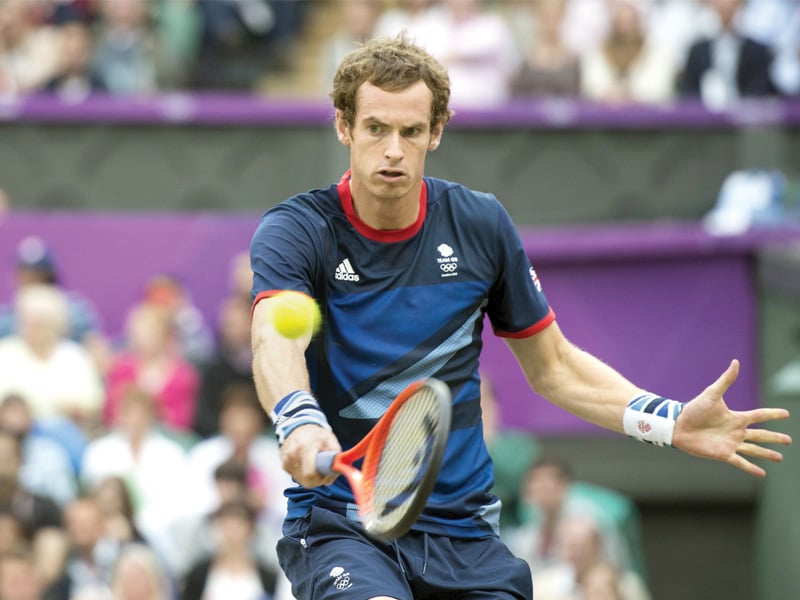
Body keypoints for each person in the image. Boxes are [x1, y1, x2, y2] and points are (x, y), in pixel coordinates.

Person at [248, 34, 791, 600]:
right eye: (376, 128)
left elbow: (553, 366)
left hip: (464, 534)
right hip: (344, 524)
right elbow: (272, 342)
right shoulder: (298, 230)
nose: (392, 150)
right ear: (345, 127)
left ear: (435, 132)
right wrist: (296, 415)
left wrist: (669, 421)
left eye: (411, 132)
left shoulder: (480, 224)